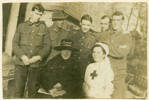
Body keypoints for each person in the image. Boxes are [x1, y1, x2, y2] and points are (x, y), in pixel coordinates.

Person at [12, 4, 51, 98]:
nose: (38, 16)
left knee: (32, 93)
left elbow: (47, 46)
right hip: (21, 64)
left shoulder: (43, 28)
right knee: (18, 92)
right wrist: (22, 56)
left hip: (35, 66)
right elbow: (15, 44)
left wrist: (38, 57)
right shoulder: (21, 26)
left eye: (40, 15)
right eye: (36, 13)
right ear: (31, 12)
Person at [102, 11, 133, 98]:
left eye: (118, 20)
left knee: (117, 96)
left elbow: (121, 52)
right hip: (106, 70)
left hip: (118, 73)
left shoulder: (126, 36)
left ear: (122, 21)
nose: (115, 22)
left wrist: (106, 45)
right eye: (114, 20)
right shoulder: (108, 34)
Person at [67, 14, 97, 80]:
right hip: (72, 68)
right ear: (80, 23)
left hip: (86, 69)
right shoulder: (73, 34)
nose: (85, 27)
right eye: (84, 24)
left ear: (91, 25)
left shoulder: (93, 38)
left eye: (88, 25)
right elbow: (67, 51)